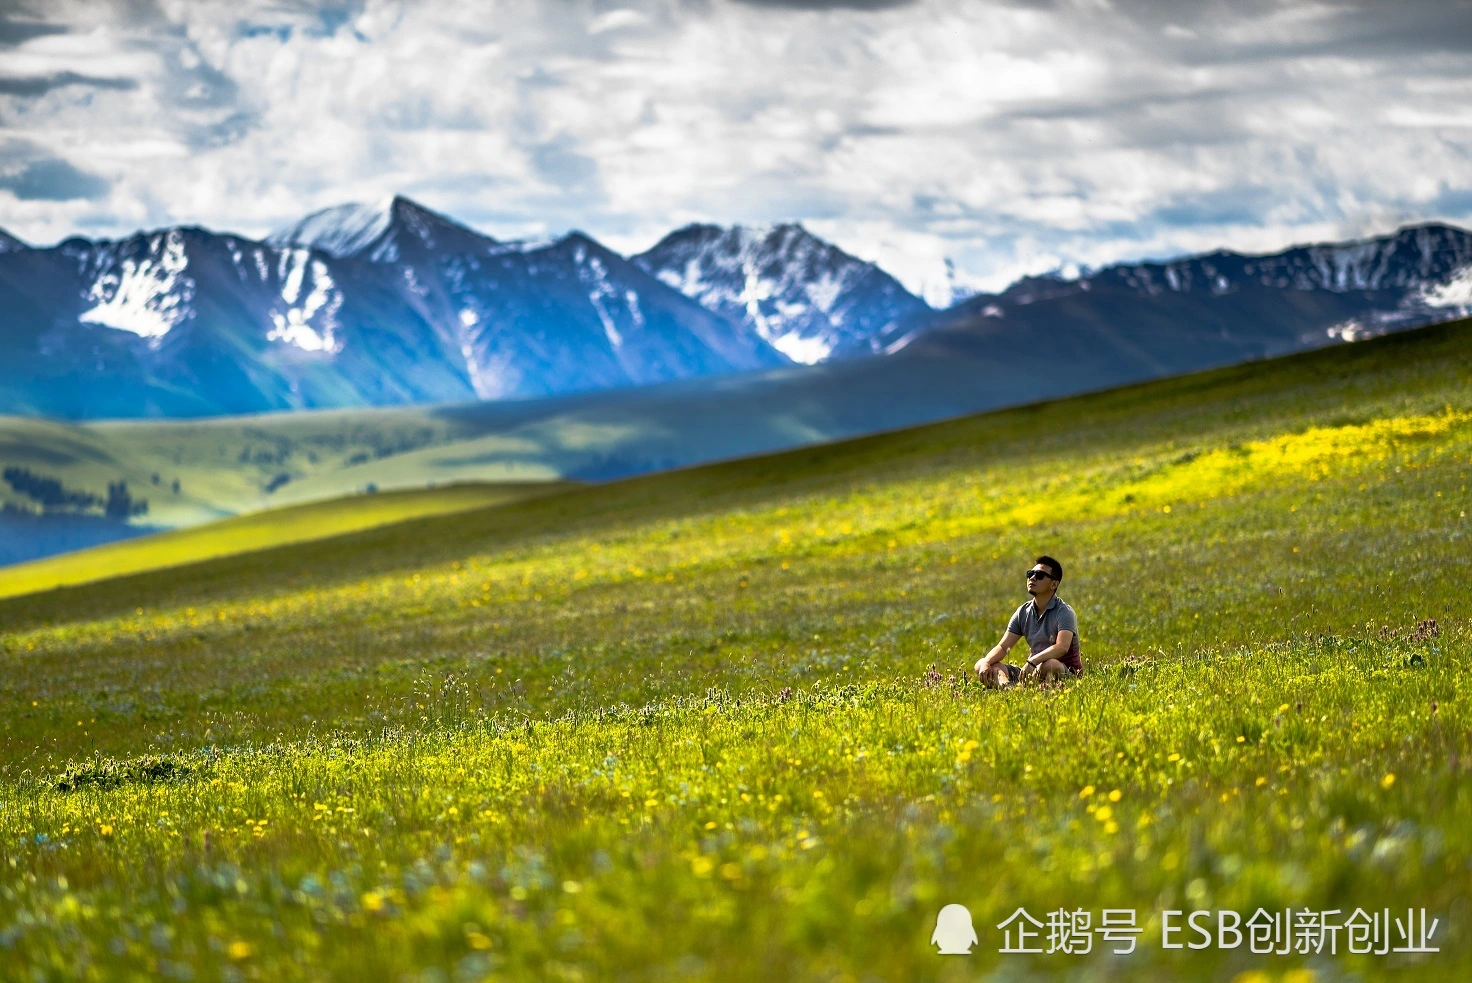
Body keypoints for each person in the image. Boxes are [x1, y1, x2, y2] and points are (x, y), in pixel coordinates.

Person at [974, 555, 1082, 687]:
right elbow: (1003, 647)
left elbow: (1062, 647)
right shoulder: (1023, 612)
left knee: (1049, 665)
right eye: (1030, 573)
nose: (1032, 578)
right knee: (981, 664)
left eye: (1040, 575)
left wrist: (1032, 661)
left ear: (1054, 584)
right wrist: (986, 663)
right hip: (1033, 670)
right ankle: (1008, 689)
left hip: (1064, 671)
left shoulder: (1065, 612)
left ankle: (1023, 686)